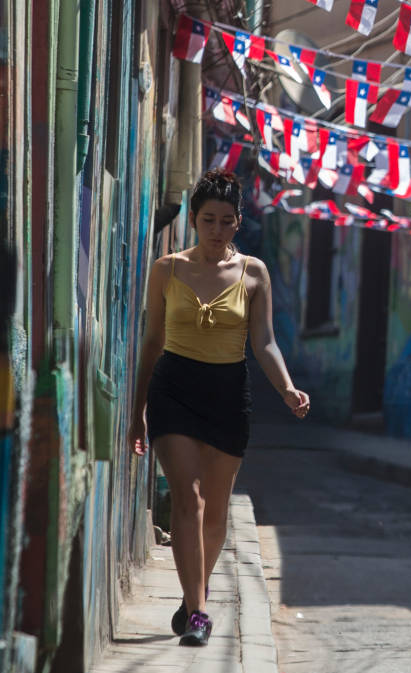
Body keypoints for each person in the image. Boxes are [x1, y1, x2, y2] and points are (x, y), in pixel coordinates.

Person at [128, 169, 310, 647]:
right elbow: (151, 343)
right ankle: (200, 614)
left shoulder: (254, 273)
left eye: (227, 221)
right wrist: (136, 411)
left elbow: (265, 342)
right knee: (187, 500)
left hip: (229, 393)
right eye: (208, 220)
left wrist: (287, 389)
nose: (216, 230)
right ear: (193, 220)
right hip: (174, 389)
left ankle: (194, 595)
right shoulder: (166, 269)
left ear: (238, 222)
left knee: (216, 510)